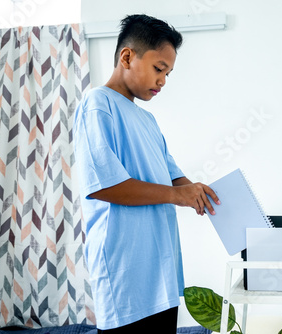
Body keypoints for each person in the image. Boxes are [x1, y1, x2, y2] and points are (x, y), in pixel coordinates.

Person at [73, 14, 220, 334]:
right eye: (158, 69)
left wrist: (197, 190)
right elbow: (104, 186)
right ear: (127, 56)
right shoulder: (97, 104)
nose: (163, 80)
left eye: (168, 73)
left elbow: (173, 177)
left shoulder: (148, 122)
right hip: (125, 275)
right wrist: (178, 194)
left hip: (161, 273)